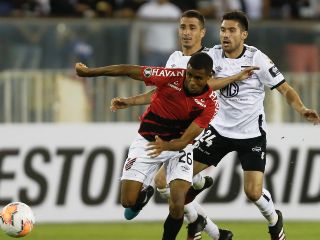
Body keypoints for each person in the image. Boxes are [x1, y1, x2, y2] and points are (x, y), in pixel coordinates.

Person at [111, 10, 320, 240]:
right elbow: (190, 82)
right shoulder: (212, 57)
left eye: (231, 30)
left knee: (253, 192)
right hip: (217, 131)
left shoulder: (257, 58)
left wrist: (301, 109)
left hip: (251, 135)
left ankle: (274, 220)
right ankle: (198, 205)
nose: (225, 35)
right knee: (166, 183)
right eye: (222, 30)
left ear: (244, 35)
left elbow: (284, 88)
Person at [75, 52, 227, 240]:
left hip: (179, 147)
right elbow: (129, 70)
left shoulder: (210, 104)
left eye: (198, 78)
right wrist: (89, 73)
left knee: (178, 202)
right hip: (148, 141)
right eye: (189, 75)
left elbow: (185, 141)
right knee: (128, 201)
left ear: (209, 77)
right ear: (186, 70)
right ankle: (144, 194)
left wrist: (167, 146)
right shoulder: (172, 76)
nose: (192, 81)